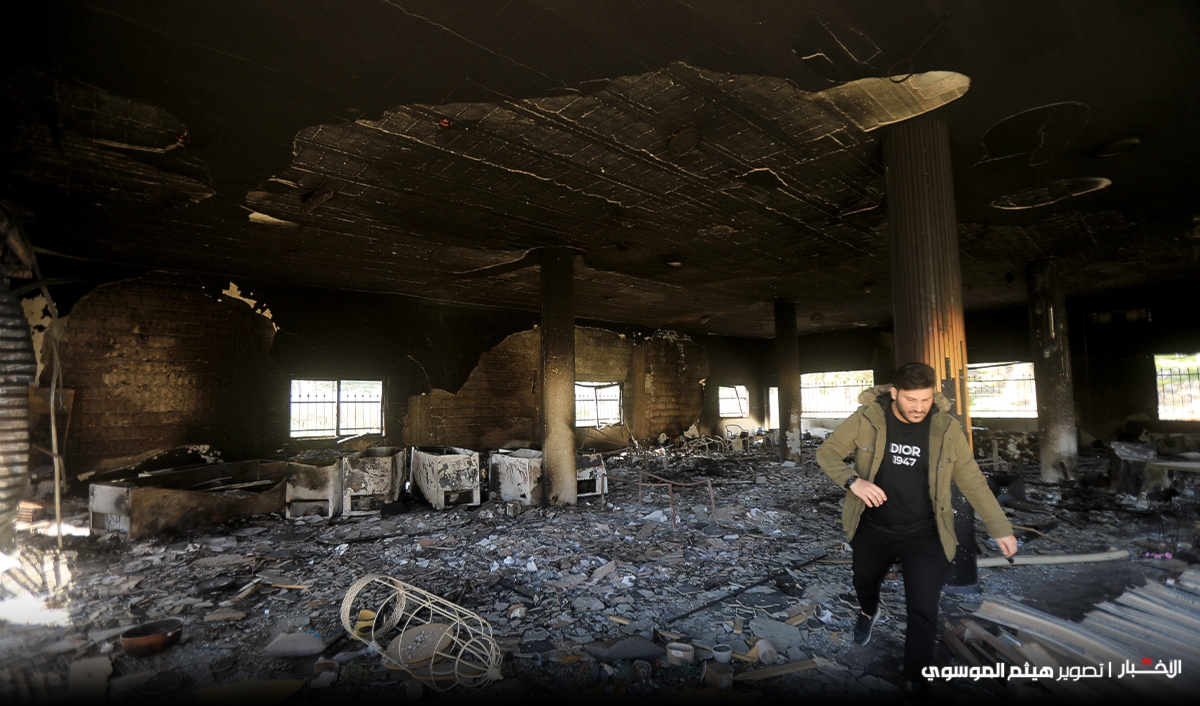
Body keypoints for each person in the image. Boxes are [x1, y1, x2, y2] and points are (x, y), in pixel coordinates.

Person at [816, 362, 1017, 693]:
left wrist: (1000, 527)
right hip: (874, 526)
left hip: (926, 532)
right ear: (895, 393)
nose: (919, 407)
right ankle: (868, 611)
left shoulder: (946, 428)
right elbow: (827, 452)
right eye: (911, 400)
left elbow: (973, 480)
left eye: (926, 399)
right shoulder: (868, 418)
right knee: (864, 581)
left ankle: (916, 680)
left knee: (923, 608)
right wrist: (853, 481)